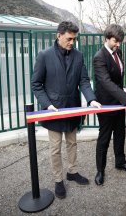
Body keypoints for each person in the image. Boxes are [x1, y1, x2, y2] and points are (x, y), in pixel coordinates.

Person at [31, 21, 101, 199]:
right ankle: (58, 180)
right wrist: (47, 105)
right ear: (59, 35)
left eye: (74, 39)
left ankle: (72, 172)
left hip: (72, 109)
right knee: (55, 148)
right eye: (69, 39)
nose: (72, 42)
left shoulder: (78, 55)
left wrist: (91, 99)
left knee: (72, 143)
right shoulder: (44, 55)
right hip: (53, 111)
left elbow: (84, 81)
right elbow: (36, 84)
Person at [93, 24, 126, 186]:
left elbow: (118, 79)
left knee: (120, 134)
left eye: (120, 42)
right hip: (106, 105)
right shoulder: (99, 57)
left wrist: (123, 99)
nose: (118, 44)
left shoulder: (118, 52)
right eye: (115, 41)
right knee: (104, 138)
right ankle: (100, 170)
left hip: (119, 103)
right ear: (106, 38)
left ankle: (120, 162)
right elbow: (107, 83)